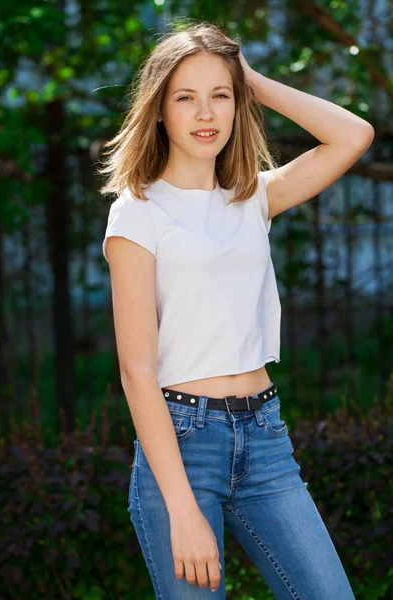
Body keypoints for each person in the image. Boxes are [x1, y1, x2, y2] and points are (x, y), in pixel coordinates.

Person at [98, 20, 373, 599]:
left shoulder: (253, 198)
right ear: (160, 111)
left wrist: (250, 78)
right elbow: (137, 373)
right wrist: (182, 509)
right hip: (182, 443)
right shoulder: (138, 213)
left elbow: (353, 135)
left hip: (265, 437)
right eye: (186, 97)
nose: (205, 113)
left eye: (219, 95)